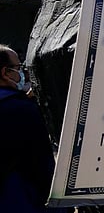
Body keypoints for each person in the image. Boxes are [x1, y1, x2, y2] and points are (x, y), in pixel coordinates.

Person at [0, 45, 57, 213]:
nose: (22, 73)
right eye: (18, 68)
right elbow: (42, 166)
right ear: (5, 72)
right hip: (20, 202)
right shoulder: (22, 110)